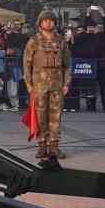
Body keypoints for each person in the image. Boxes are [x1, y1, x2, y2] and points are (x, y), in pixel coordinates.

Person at [22, 9, 70, 167]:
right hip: (39, 85)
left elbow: (67, 65)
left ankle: (54, 146)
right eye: (45, 20)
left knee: (56, 116)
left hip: (56, 84)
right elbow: (27, 64)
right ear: (40, 23)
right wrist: (29, 85)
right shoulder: (34, 41)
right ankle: (42, 145)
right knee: (40, 116)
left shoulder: (61, 41)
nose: (48, 22)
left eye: (51, 20)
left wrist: (66, 84)